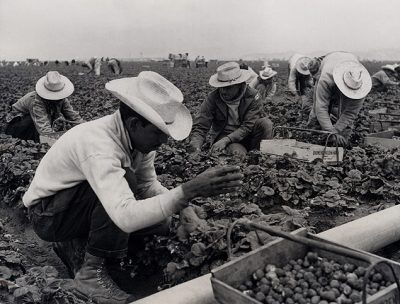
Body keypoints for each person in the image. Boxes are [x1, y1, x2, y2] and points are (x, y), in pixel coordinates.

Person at [23, 71, 243, 304]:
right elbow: (125, 217)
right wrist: (187, 191)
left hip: (72, 205)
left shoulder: (138, 140)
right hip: (48, 216)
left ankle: (80, 245)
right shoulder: (100, 145)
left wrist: (182, 208)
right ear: (135, 123)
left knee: (160, 222)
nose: (164, 141)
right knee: (127, 181)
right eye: (159, 133)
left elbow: (148, 184)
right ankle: (89, 274)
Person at [189, 62, 273, 157]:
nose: (223, 91)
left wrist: (226, 140)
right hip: (224, 135)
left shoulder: (253, 96)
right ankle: (244, 155)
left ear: (239, 84)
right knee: (238, 154)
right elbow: (200, 127)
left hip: (248, 135)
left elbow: (247, 126)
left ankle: (260, 156)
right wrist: (195, 147)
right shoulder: (212, 98)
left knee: (266, 123)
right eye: (221, 87)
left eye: (228, 88)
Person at [307, 51, 372, 146]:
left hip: (348, 61)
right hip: (331, 65)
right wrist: (331, 132)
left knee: (345, 122)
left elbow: (350, 113)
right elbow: (321, 108)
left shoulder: (361, 84)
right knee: (316, 111)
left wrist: (336, 131)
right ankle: (313, 138)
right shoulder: (326, 78)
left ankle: (341, 147)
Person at [5, 71, 84, 142]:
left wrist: (86, 127)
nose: (58, 98)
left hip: (39, 120)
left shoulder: (62, 99)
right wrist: (55, 141)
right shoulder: (36, 101)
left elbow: (73, 116)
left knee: (56, 120)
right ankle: (31, 141)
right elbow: (43, 127)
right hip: (17, 124)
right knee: (32, 122)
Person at [288, 54, 314, 118]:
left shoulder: (309, 67)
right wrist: (295, 93)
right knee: (296, 87)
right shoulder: (294, 68)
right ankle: (298, 102)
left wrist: (310, 91)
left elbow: (310, 81)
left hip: (305, 74)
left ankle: (304, 102)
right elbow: (291, 82)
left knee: (305, 86)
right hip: (293, 65)